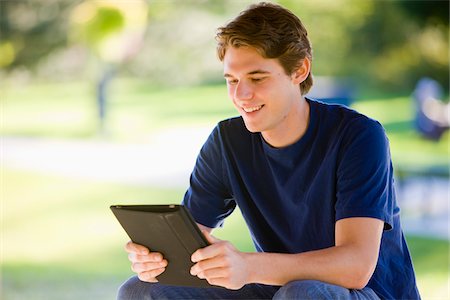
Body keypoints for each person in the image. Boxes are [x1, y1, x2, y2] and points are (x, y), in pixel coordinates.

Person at [118, 2, 420, 299]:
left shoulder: (358, 136)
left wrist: (247, 266)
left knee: (302, 293)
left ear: (299, 70)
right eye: (232, 80)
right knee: (139, 291)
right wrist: (160, 259)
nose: (240, 95)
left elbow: (356, 267)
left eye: (257, 78)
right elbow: (192, 241)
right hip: (279, 288)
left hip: (367, 293)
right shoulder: (227, 141)